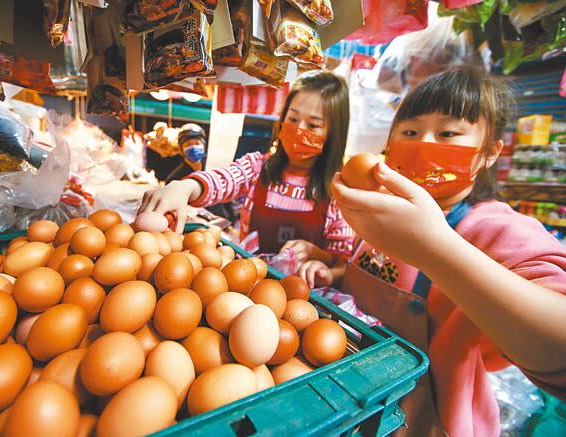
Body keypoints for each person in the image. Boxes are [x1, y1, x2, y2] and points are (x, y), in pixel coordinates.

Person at [328, 68, 566, 436]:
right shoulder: (384, 208)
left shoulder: (492, 227)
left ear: (488, 153)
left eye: (447, 133)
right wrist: (334, 272)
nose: (424, 143)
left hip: (426, 420)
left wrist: (434, 247)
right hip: (352, 400)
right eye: (410, 132)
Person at [139, 71, 355, 269]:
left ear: (334, 134)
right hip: (248, 286)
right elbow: (222, 180)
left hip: (308, 302)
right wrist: (185, 187)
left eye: (313, 125)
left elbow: (341, 263)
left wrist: (317, 256)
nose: (299, 129)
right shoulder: (258, 168)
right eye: (293, 118)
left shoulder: (338, 194)